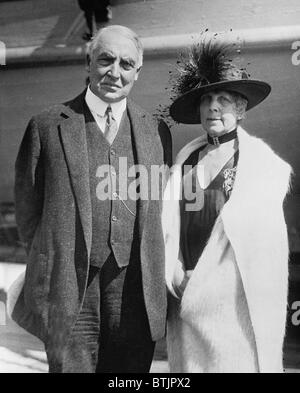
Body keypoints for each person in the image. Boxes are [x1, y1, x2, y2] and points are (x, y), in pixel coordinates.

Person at [10, 25, 172, 373]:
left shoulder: (155, 131)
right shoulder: (47, 126)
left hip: (134, 289)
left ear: (137, 73)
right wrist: (52, 260)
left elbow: (160, 208)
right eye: (105, 60)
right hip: (69, 289)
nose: (115, 72)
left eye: (126, 64)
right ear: (88, 63)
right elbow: (27, 210)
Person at [162, 37, 292, 373]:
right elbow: (170, 225)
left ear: (242, 109)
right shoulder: (186, 159)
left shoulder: (261, 166)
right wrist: (174, 265)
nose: (213, 107)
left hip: (233, 307)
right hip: (185, 299)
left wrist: (208, 284)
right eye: (206, 99)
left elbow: (263, 255)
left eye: (223, 100)